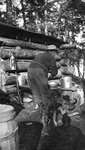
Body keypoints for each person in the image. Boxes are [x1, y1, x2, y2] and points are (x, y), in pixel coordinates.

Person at [27, 52, 58, 133]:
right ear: (54, 52)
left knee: (36, 92)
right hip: (39, 71)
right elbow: (54, 72)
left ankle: (38, 112)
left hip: (30, 70)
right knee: (45, 93)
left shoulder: (41, 55)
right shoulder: (52, 57)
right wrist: (52, 75)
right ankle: (45, 116)